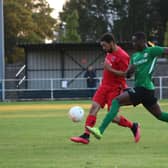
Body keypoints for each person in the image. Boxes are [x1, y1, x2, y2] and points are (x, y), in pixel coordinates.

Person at [87, 32, 168, 140]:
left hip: (145, 88)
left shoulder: (152, 51)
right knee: (159, 115)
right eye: (132, 41)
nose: (133, 44)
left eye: (135, 41)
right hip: (143, 90)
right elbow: (128, 74)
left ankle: (100, 130)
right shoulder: (134, 56)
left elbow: (166, 50)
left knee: (116, 101)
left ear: (143, 41)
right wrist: (130, 71)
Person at [70, 32, 141, 144]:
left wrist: (110, 69)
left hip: (116, 88)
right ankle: (86, 135)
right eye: (102, 46)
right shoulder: (109, 52)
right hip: (104, 86)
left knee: (113, 117)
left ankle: (133, 126)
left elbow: (126, 74)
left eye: (104, 45)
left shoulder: (123, 56)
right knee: (94, 108)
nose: (103, 48)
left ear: (112, 43)